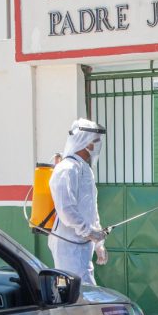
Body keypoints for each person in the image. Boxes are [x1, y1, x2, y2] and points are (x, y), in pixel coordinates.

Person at [48, 118, 108, 285]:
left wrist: (98, 242)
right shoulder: (66, 169)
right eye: (95, 141)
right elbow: (65, 209)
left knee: (78, 296)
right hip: (68, 246)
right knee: (79, 295)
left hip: (82, 245)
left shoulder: (85, 169)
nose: (98, 144)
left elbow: (90, 208)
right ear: (86, 142)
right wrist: (88, 231)